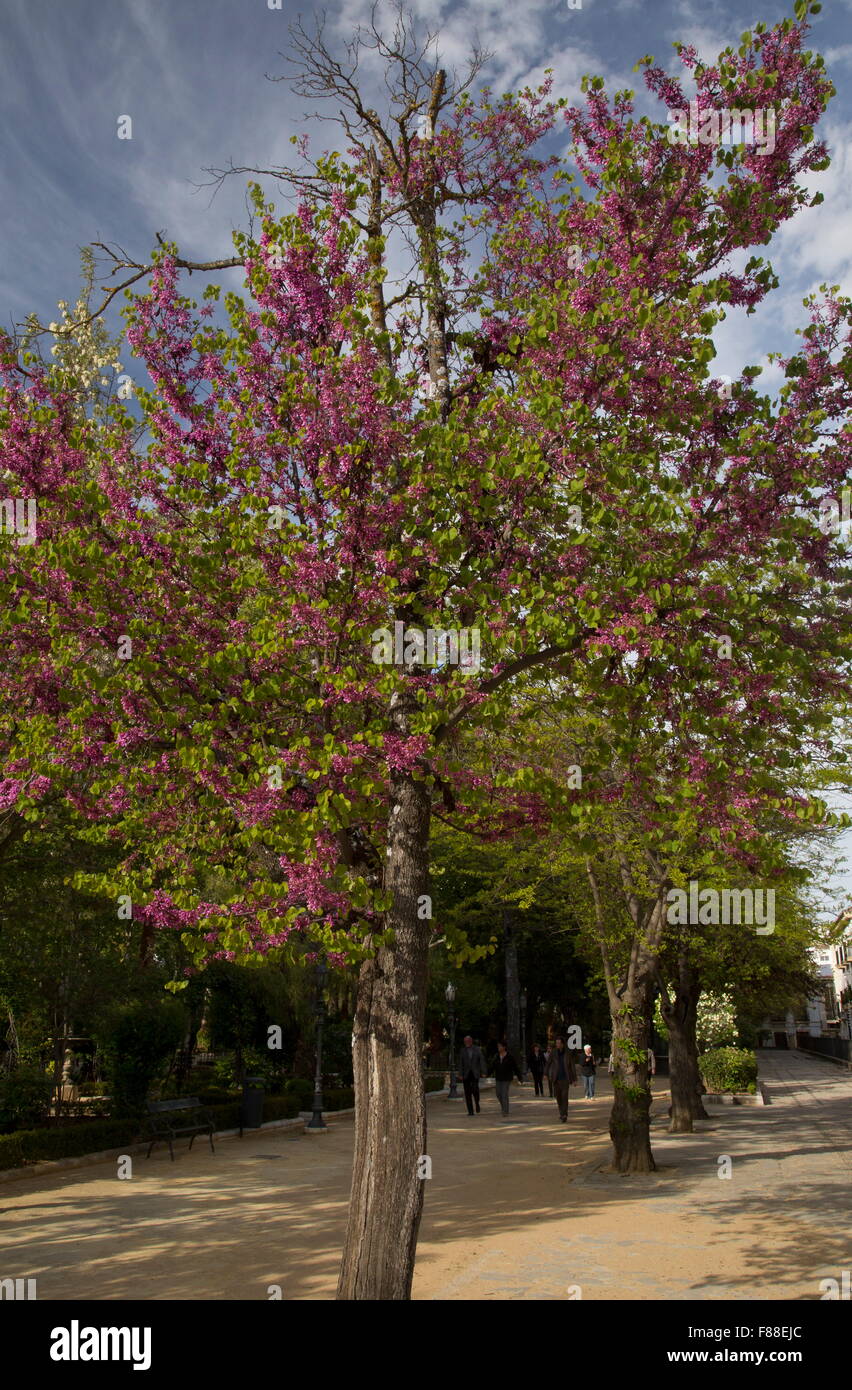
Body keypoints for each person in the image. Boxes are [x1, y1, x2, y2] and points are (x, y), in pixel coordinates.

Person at [546, 1036, 577, 1121]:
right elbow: (548, 1063)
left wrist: (574, 1079)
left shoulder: (568, 1053)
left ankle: (564, 1114)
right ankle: (561, 1112)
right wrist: (545, 1073)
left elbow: (572, 1066)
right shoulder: (553, 1052)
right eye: (556, 1043)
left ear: (563, 1044)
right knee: (558, 1097)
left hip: (565, 1078)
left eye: (559, 1043)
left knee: (564, 1096)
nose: (557, 1045)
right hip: (556, 1078)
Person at [458, 1034, 486, 1115]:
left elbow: (482, 1060)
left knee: (475, 1090)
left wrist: (483, 1071)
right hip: (466, 1074)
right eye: (465, 1041)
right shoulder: (462, 1050)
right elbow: (460, 1063)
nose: (467, 1042)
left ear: (471, 1041)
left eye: (468, 1041)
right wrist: (460, 1074)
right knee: (467, 1092)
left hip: (475, 1073)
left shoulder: (477, 1049)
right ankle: (470, 1111)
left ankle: (477, 1103)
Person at [492, 1040, 522, 1116]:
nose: (498, 1048)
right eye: (498, 1046)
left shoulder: (510, 1057)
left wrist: (520, 1077)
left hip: (507, 1078)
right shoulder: (496, 1056)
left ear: (504, 1047)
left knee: (504, 1093)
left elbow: (515, 1067)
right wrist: (486, 1073)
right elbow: (493, 1066)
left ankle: (505, 1111)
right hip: (498, 1077)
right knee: (498, 1094)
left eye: (500, 1046)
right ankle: (504, 1106)